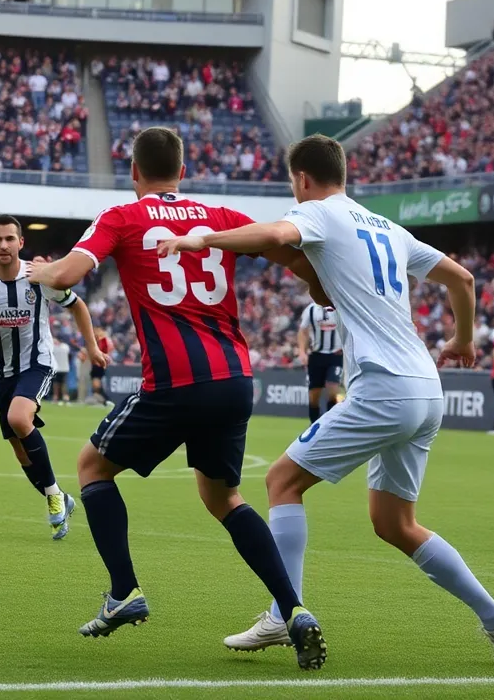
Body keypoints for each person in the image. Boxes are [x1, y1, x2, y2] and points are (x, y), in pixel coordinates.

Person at [160, 134, 494, 666]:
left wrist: (201, 240)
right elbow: (462, 278)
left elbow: (275, 233)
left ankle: (284, 613)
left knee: (281, 480)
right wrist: (464, 339)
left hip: (383, 388)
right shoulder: (386, 226)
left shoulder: (320, 214)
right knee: (394, 524)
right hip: (426, 388)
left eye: (293, 182)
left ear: (302, 179)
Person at [28, 126, 328, 670]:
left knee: (92, 467)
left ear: (134, 172)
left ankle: (123, 592)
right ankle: (294, 609)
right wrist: (319, 287)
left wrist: (38, 270)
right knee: (224, 498)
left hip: (174, 381)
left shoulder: (122, 216)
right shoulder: (221, 217)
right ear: (183, 171)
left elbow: (70, 273)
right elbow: (289, 251)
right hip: (235, 378)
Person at [0, 214, 106, 540]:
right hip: (2, 372)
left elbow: (78, 306)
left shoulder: (39, 277)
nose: (3, 245)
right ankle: (59, 497)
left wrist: (93, 348)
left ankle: (54, 496)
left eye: (9, 239)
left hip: (37, 364)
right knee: (19, 448)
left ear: (20, 243)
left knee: (18, 417)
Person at [298, 301, 341, 423]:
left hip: (336, 355)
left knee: (333, 391)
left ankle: (330, 425)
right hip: (316, 356)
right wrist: (302, 351)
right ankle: (314, 427)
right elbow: (303, 331)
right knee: (313, 397)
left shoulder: (340, 306)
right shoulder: (311, 309)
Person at [88, 327, 113, 406]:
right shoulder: (99, 340)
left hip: (98, 364)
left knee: (96, 384)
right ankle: (104, 400)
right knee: (96, 383)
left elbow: (103, 351)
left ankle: (106, 399)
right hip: (96, 363)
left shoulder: (103, 340)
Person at [52, 335, 72, 404]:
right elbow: (70, 356)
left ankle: (58, 397)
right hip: (63, 368)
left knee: (58, 384)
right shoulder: (66, 347)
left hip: (59, 368)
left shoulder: (54, 347)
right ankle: (63, 397)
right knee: (61, 384)